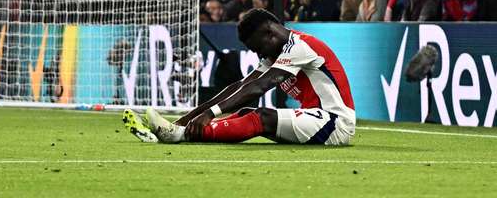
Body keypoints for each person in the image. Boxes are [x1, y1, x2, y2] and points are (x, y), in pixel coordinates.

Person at [123, 9, 355, 146]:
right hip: (315, 119)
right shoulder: (276, 51)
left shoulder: (301, 47)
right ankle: (177, 129)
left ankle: (179, 136)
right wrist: (188, 116)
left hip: (334, 123)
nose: (259, 54)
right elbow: (241, 86)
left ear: (270, 33)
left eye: (258, 48)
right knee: (245, 114)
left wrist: (210, 114)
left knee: (261, 116)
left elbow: (260, 87)